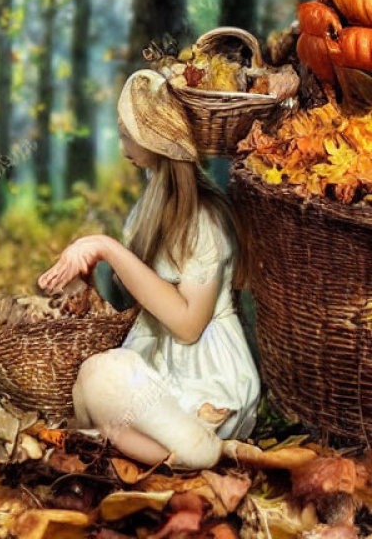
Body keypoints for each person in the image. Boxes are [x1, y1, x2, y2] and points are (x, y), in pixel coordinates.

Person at [37, 69, 260, 469]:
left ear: (156, 140)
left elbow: (189, 325)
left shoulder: (202, 220)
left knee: (105, 376)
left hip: (206, 373)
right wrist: (84, 278)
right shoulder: (150, 205)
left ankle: (197, 448)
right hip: (158, 357)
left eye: (127, 133)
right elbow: (146, 291)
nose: (121, 142)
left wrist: (106, 247)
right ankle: (128, 440)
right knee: (92, 377)